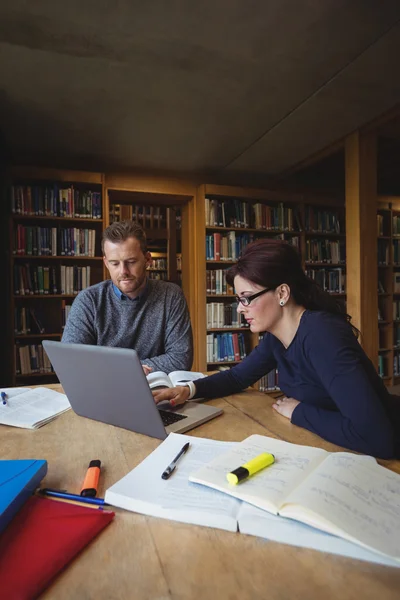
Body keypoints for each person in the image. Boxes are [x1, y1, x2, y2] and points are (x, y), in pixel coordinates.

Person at [153, 238, 400, 459]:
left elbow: (377, 438)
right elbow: (238, 377)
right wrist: (188, 390)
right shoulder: (276, 338)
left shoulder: (322, 335)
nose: (240, 308)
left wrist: (299, 412)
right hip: (338, 448)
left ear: (282, 292)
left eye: (246, 298)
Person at [62, 220, 193, 374]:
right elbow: (70, 361)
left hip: (156, 391)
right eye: (114, 263)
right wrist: (131, 369)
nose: (123, 271)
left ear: (148, 259)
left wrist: (118, 369)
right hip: (103, 390)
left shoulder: (171, 296)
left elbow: (180, 358)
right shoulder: (88, 301)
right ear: (106, 263)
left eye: (131, 262)